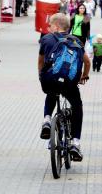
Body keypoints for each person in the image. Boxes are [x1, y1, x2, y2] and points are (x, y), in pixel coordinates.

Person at [38, 13, 91, 161]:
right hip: (69, 83)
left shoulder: (47, 39)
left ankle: (47, 120)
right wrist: (84, 76)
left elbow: (41, 61)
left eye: (50, 26)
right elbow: (87, 62)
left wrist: (41, 77)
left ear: (55, 26)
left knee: (51, 91)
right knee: (77, 106)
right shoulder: (77, 41)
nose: (49, 28)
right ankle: (75, 142)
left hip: (50, 80)